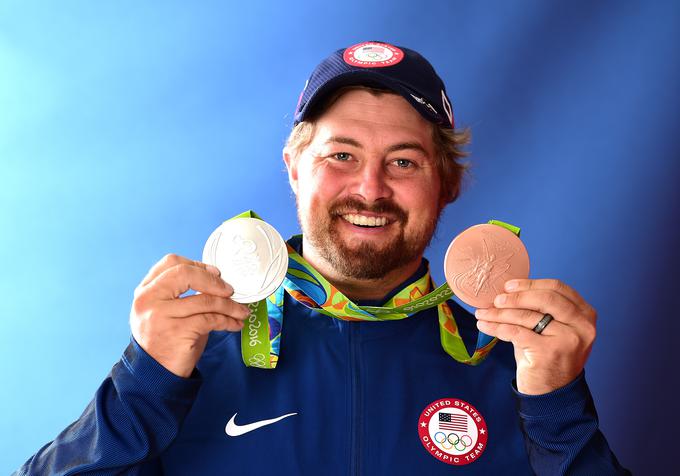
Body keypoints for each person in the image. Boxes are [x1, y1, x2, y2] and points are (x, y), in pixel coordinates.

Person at [15, 41, 630, 475]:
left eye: (405, 161)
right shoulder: (192, 358)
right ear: (293, 170)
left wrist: (556, 409)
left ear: (448, 183)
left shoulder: (514, 366)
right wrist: (143, 387)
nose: (370, 188)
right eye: (341, 156)